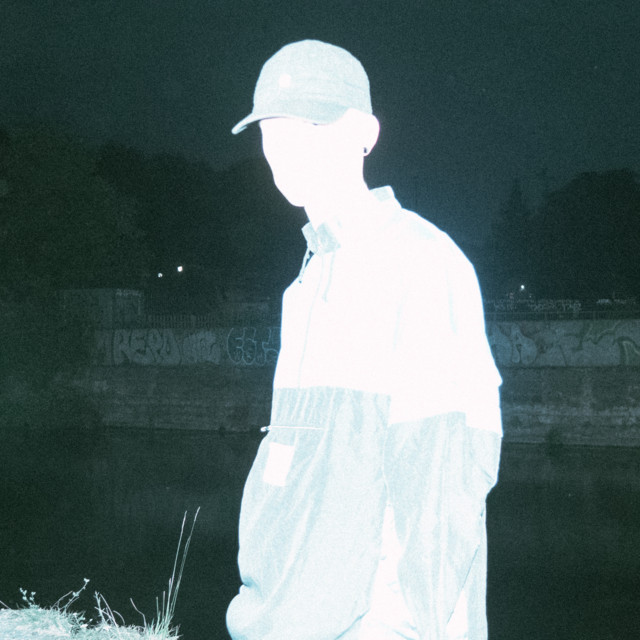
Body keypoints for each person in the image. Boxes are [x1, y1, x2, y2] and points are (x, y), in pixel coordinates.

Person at [226, 39, 502, 640]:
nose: (286, 150)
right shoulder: (306, 284)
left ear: (365, 134)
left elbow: (441, 491)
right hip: (286, 621)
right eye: (272, 132)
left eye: (310, 127)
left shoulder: (421, 263)